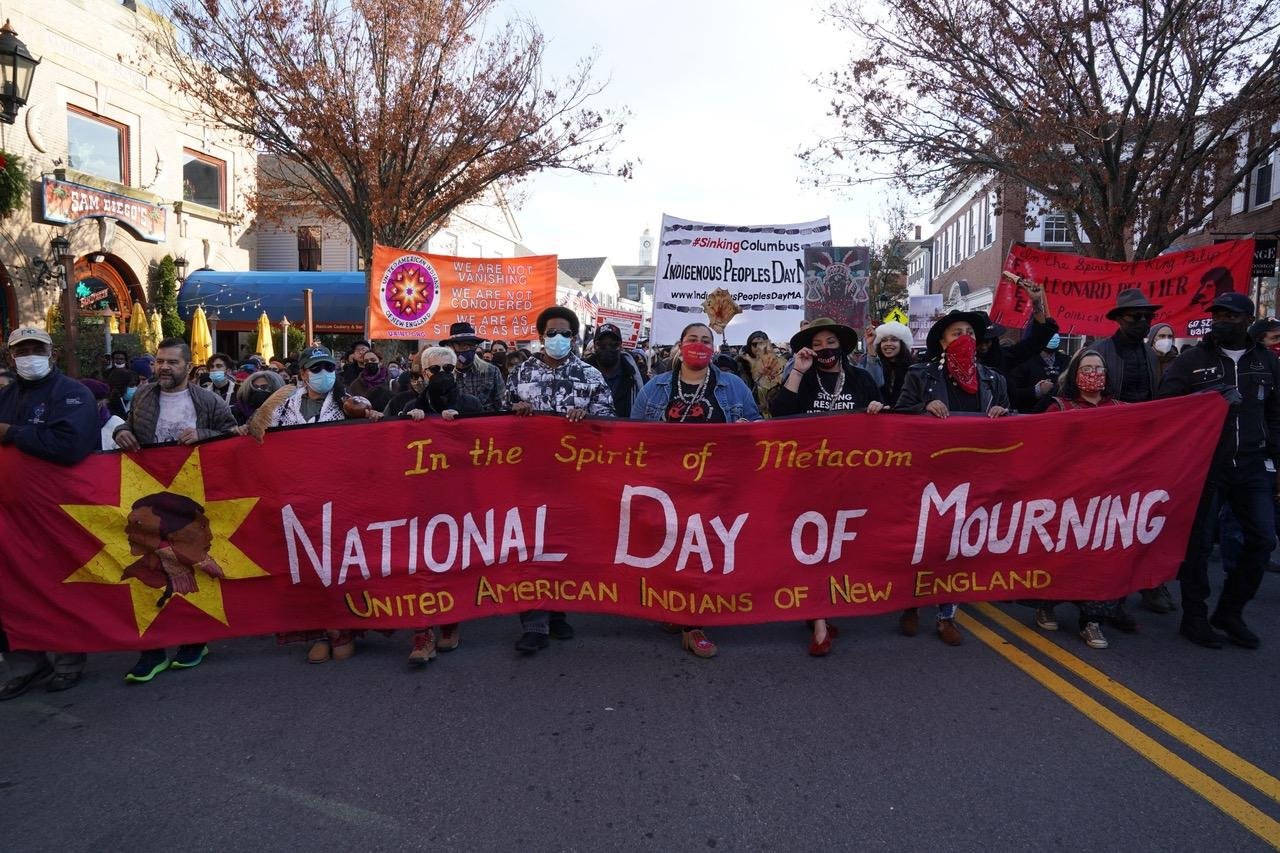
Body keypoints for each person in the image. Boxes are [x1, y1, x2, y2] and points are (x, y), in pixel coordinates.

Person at [632, 322, 762, 658]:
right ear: (680, 344)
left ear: (715, 349)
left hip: (717, 484)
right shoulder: (655, 387)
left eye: (706, 341)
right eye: (693, 339)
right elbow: (632, 433)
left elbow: (757, 423)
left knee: (703, 550)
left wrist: (750, 429)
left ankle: (694, 622)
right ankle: (679, 608)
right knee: (673, 548)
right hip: (668, 484)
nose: (699, 345)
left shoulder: (733, 386)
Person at [113, 337, 239, 683]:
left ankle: (193, 641)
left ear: (188, 366)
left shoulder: (209, 400)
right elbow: (126, 424)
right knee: (150, 570)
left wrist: (204, 434)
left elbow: (232, 437)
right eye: (159, 361)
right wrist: (123, 432)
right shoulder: (142, 396)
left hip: (192, 500)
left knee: (189, 569)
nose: (163, 367)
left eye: (171, 362)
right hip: (148, 496)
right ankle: (151, 651)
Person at [1159, 293, 1280, 649]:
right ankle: (1194, 616)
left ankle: (1230, 611)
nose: (1222, 321)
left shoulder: (1266, 363)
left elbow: (1275, 411)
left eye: (1231, 316)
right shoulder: (1192, 361)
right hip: (1206, 465)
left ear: (1247, 319)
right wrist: (1208, 398)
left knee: (1262, 539)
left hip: (1253, 464)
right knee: (1199, 543)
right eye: (1218, 315)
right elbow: (1166, 408)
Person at [896, 310, 1012, 646]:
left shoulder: (993, 379)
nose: (964, 337)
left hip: (973, 473)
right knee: (924, 541)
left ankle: (947, 614)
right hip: (930, 471)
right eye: (955, 332)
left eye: (970, 333)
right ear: (943, 342)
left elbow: (1012, 418)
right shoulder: (921, 375)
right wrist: (923, 407)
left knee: (959, 544)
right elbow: (900, 414)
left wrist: (1003, 414)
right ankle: (911, 601)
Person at [772, 318, 885, 656]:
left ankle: (821, 608)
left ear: (842, 345)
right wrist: (798, 370)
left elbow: (881, 421)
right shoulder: (803, 378)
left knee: (841, 547)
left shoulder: (862, 379)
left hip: (851, 479)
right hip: (808, 477)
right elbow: (780, 415)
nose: (824, 348)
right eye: (817, 343)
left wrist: (878, 410)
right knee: (813, 546)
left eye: (830, 341)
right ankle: (819, 620)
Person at [507, 306, 614, 654]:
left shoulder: (590, 375)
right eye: (552, 332)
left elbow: (610, 424)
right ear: (540, 336)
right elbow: (496, 421)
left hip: (573, 480)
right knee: (530, 548)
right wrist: (515, 414)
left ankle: (558, 611)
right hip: (528, 478)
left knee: (563, 547)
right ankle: (534, 622)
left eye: (566, 333)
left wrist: (588, 420)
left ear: (574, 337)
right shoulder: (519, 374)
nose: (558, 338)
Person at [0, 327, 97, 699]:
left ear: (51, 353)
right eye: (21, 350)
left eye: (35, 348)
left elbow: (70, 446)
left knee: (61, 584)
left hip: (58, 512)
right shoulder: (6, 396)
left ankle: (68, 661)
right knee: (13, 589)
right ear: (11, 357)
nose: (28, 355)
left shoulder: (73, 394)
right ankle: (26, 663)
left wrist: (12, 433)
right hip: (12, 515)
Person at [1027, 349, 1131, 649]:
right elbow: (1041, 449)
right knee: (1061, 555)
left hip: (1107, 499)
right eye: (1087, 367)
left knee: (1100, 559)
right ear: (1074, 374)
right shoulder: (1059, 407)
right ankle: (1047, 603)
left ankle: (1092, 620)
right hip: (1067, 498)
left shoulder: (1123, 409)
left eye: (1099, 367)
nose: (1094, 372)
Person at [1091, 288, 1175, 615]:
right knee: (1112, 520)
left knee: (1146, 517)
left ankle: (1149, 581)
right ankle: (1108, 588)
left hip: (1146, 449)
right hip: (1110, 449)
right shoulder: (1099, 352)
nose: (1142, 322)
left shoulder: (1152, 356)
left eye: (1146, 317)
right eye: (1135, 317)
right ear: (1119, 320)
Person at [443, 322, 506, 413]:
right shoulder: (445, 375)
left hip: (484, 424)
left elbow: (502, 404)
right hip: (457, 425)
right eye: (463, 345)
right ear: (451, 347)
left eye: (472, 345)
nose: (468, 349)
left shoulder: (491, 371)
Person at [586, 323, 645, 418]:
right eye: (601, 344)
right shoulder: (580, 373)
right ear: (594, 346)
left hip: (624, 431)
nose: (608, 348)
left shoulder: (637, 377)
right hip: (591, 431)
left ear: (621, 346)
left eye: (614, 344)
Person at [1007, 333, 1067, 413]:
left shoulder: (1067, 361)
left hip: (1059, 413)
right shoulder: (1023, 361)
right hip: (1031, 415)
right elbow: (1011, 393)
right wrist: (1037, 390)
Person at [860, 321, 915, 407]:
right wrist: (870, 345)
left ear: (902, 343)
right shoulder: (868, 362)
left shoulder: (914, 368)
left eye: (894, 340)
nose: (888, 344)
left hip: (904, 416)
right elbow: (871, 385)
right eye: (884, 340)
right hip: (877, 414)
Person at [737, 330, 785, 416]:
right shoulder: (741, 364)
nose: (758, 347)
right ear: (749, 345)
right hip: (750, 411)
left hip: (772, 412)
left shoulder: (775, 362)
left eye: (762, 344)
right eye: (755, 344)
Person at [347, 347, 394, 412]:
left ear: (380, 362)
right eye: (366, 361)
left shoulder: (392, 383)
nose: (369, 363)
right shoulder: (356, 385)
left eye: (373, 360)